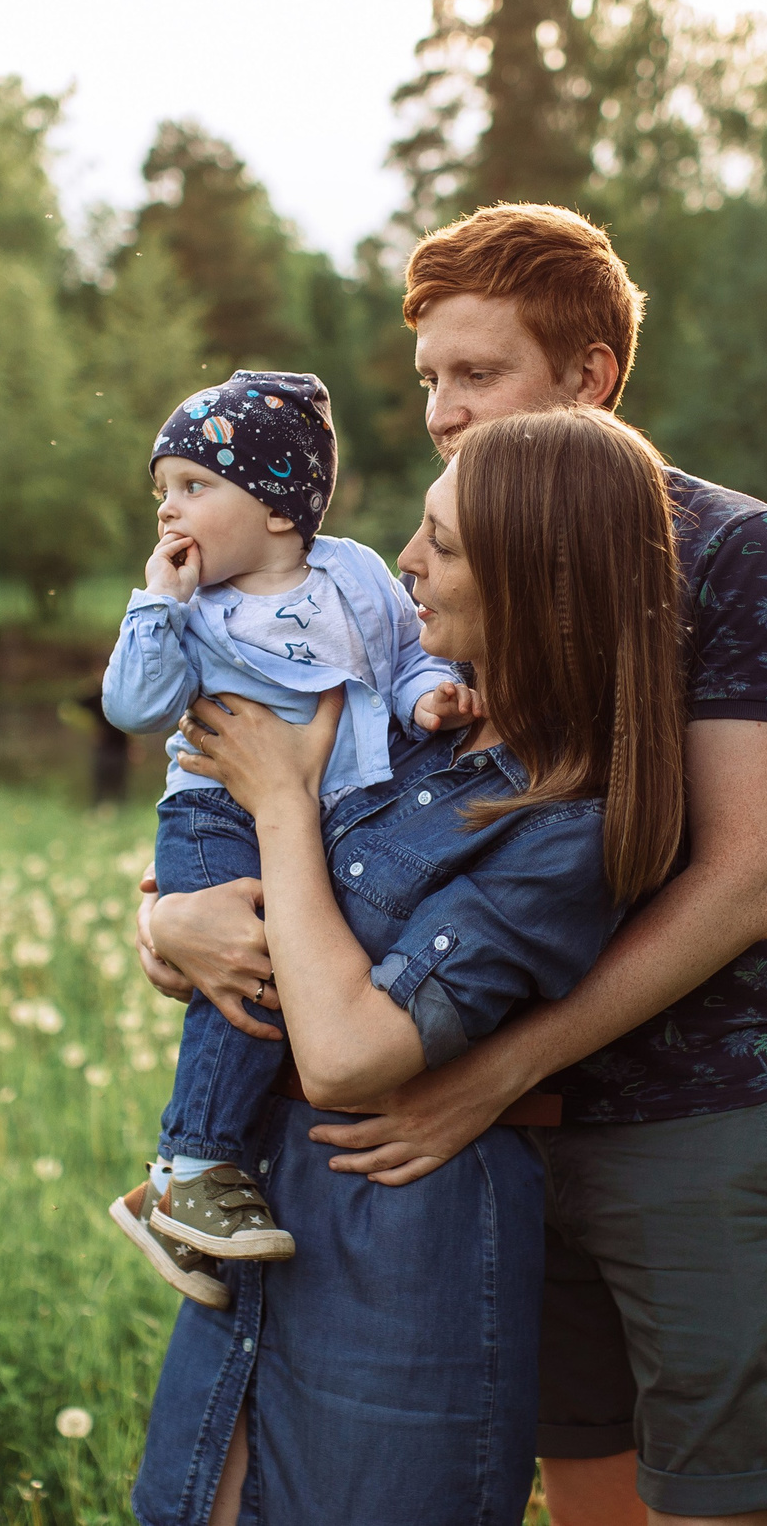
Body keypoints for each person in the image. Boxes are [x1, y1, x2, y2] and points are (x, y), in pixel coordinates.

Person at [141, 205, 767, 1526]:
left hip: (682, 1106)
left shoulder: (724, 550)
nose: (444, 413)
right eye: (429, 381)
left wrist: (499, 1065)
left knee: (708, 1484)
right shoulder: (440, 573)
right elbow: (317, 796)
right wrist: (166, 915)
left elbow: (740, 883)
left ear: (590, 377)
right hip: (479, 1111)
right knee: (574, 1479)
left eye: (481, 374)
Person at [130, 406, 688, 1526]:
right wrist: (164, 928)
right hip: (258, 1202)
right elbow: (223, 899)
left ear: (536, 583)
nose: (404, 560)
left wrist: (282, 801)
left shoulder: (560, 831)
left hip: (399, 1245)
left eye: (443, 543)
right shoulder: (419, 722)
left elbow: (343, 1055)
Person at [100, 370, 464, 1301]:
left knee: (308, 975)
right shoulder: (189, 606)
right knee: (256, 979)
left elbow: (406, 653)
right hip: (215, 809)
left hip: (335, 814)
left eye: (193, 487)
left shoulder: (352, 572)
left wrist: (429, 695)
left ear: (273, 507)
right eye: (161, 493)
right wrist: (156, 603)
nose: (169, 513)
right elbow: (134, 708)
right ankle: (192, 1165)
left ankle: (198, 1193)